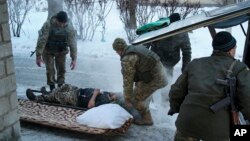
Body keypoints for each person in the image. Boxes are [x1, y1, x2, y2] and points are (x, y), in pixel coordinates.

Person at [168, 31, 250, 141]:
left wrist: (175, 108)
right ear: (231, 49)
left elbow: (176, 91)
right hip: (219, 132)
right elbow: (248, 100)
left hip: (187, 125)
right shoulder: (240, 68)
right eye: (235, 47)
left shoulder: (195, 64)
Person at [112, 38, 168, 125]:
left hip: (155, 79)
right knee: (139, 90)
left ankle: (147, 119)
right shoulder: (134, 48)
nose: (117, 53)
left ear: (119, 50)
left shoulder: (127, 58)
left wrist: (127, 99)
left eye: (116, 51)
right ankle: (144, 107)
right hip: (158, 75)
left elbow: (128, 81)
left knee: (135, 99)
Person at [35, 11, 77, 91]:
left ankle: (60, 88)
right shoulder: (48, 25)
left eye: (63, 23)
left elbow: (73, 44)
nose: (61, 25)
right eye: (60, 23)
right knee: (50, 70)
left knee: (61, 70)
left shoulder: (69, 28)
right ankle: (52, 88)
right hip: (48, 50)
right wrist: (38, 56)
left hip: (61, 51)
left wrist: (74, 59)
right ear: (56, 20)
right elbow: (42, 40)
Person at [26, 84, 117, 109]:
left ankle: (37, 98)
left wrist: (95, 94)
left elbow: (90, 106)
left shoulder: (106, 102)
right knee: (65, 86)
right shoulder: (108, 94)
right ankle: (49, 93)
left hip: (77, 99)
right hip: (79, 90)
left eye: (115, 94)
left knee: (59, 96)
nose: (113, 93)